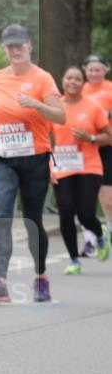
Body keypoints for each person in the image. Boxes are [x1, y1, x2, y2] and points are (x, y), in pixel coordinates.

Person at [0, 24, 65, 304]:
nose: (15, 50)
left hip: (35, 157)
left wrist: (37, 105)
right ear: (4, 49)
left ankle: (41, 276)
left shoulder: (42, 78)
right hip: (3, 156)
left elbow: (61, 117)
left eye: (20, 45)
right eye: (10, 46)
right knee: (3, 212)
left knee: (32, 219)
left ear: (29, 46)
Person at [51, 66, 112, 274]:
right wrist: (48, 164)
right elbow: (45, 138)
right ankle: (74, 259)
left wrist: (90, 138)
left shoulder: (93, 106)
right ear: (63, 81)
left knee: (86, 214)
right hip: (63, 165)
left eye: (77, 79)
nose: (73, 82)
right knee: (66, 212)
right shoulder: (55, 107)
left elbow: (108, 135)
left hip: (89, 165)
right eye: (69, 78)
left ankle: (101, 236)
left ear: (81, 82)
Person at [79, 54, 112, 255]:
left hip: (107, 145)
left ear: (105, 70)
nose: (93, 73)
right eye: (90, 69)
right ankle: (90, 241)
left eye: (97, 69)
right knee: (84, 197)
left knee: (107, 199)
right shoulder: (80, 90)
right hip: (84, 148)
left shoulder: (110, 89)